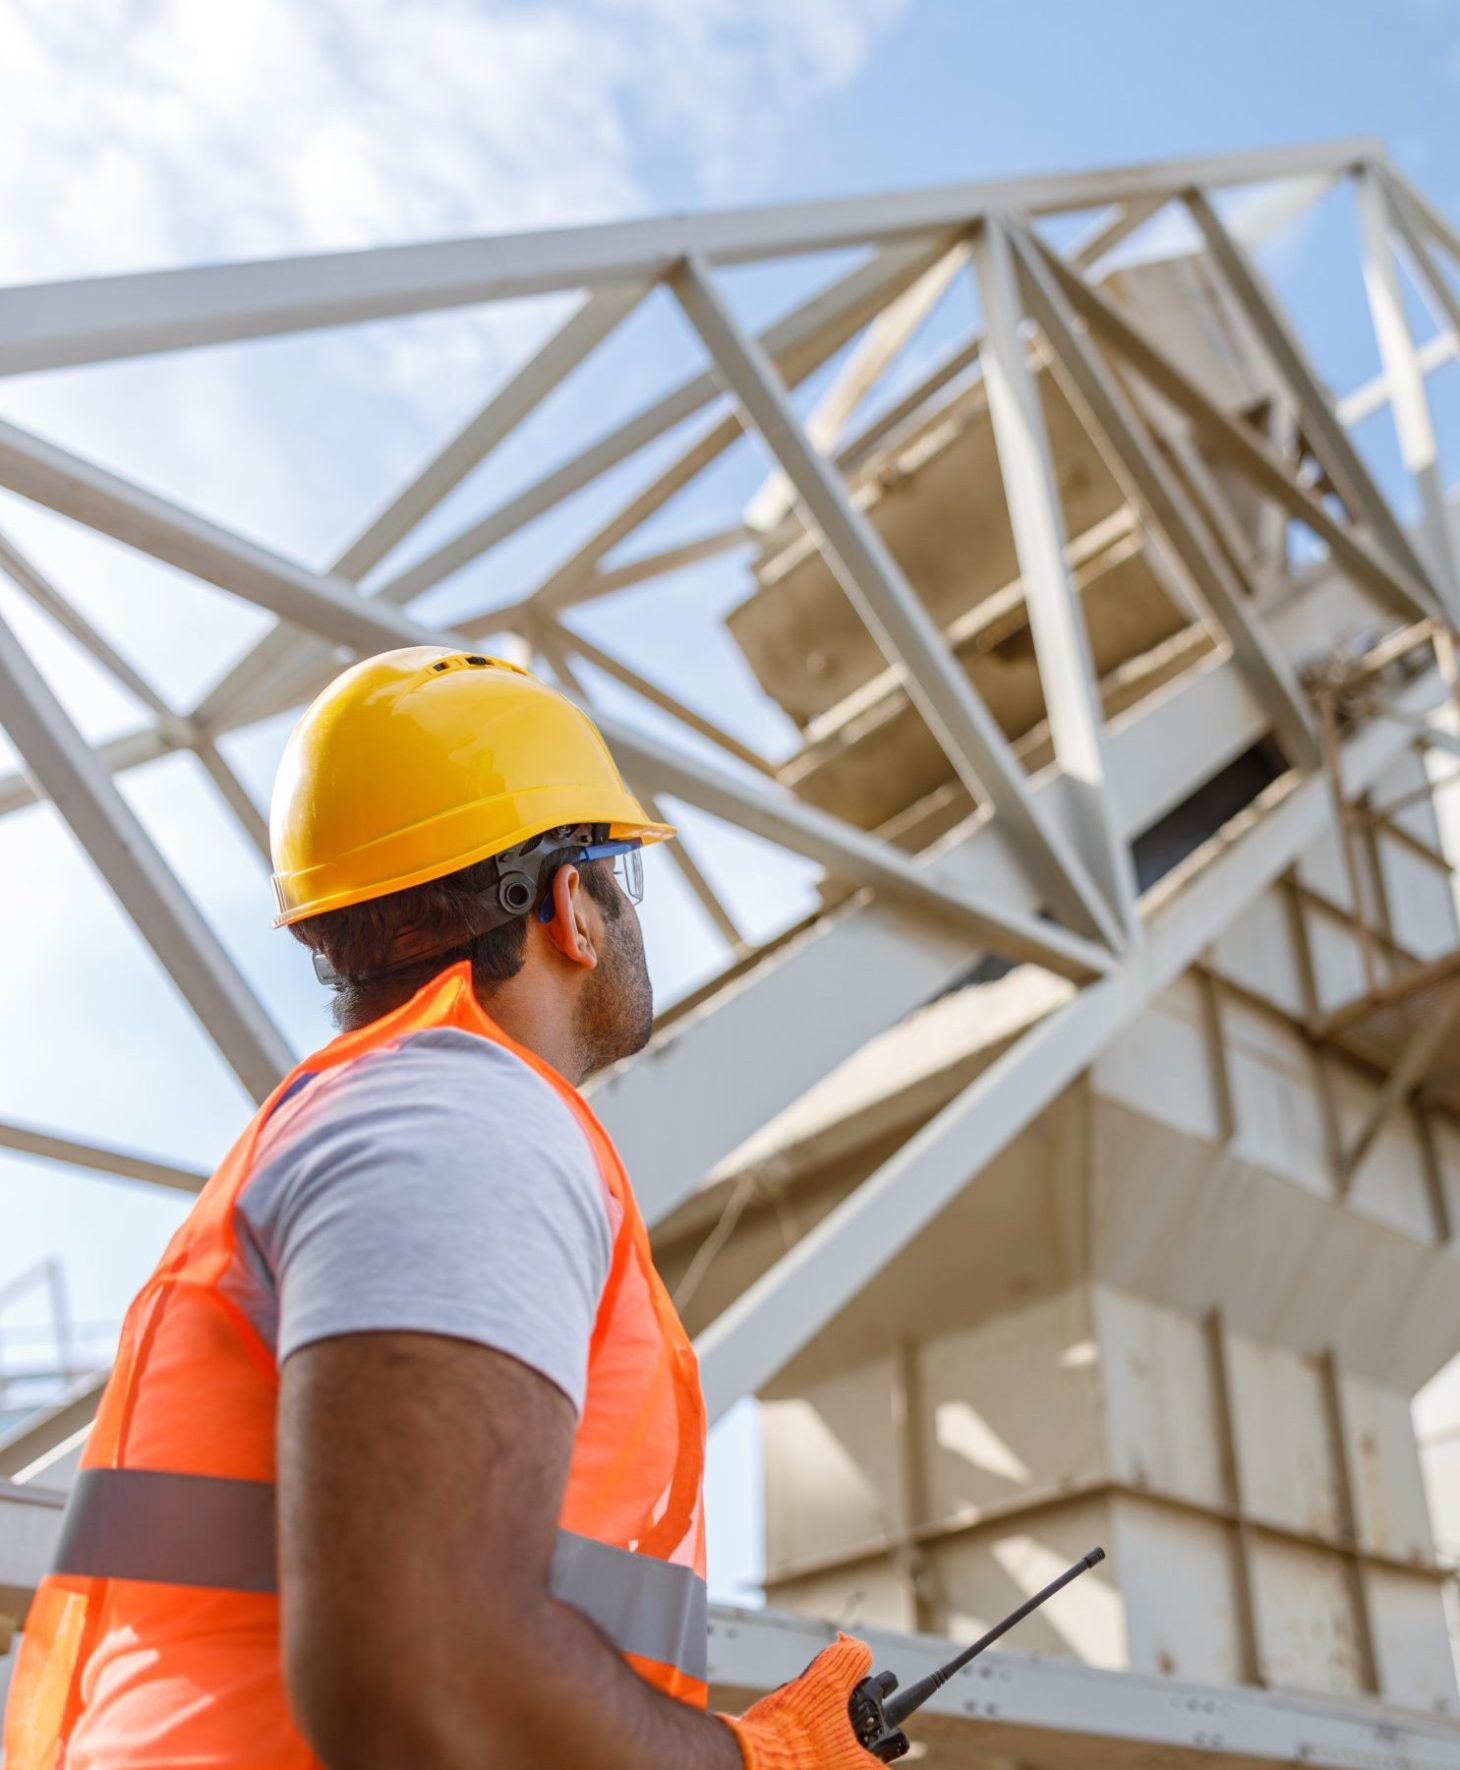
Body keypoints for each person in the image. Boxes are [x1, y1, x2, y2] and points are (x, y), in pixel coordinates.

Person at [5, 646, 876, 1769]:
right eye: (621, 872)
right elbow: (430, 1674)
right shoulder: (462, 1117)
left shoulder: (384, 1116)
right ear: (571, 904)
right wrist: (762, 1763)